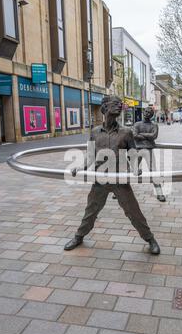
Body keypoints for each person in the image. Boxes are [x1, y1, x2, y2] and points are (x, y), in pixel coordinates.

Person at [64, 96, 161, 255]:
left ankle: (150, 239)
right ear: (105, 108)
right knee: (91, 211)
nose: (119, 106)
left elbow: (133, 154)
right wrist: (80, 166)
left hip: (120, 179)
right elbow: (90, 155)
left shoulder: (126, 132)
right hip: (100, 179)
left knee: (134, 212)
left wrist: (135, 169)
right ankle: (79, 236)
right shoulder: (95, 132)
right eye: (115, 104)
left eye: (119, 104)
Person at [133, 107, 166, 203]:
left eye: (150, 112)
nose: (147, 113)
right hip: (137, 149)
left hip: (148, 150)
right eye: (146, 111)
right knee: (130, 171)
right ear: (143, 112)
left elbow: (154, 136)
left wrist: (141, 134)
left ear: (152, 115)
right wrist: (148, 136)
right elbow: (134, 135)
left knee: (153, 172)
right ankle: (117, 192)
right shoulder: (137, 124)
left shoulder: (154, 125)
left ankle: (159, 193)